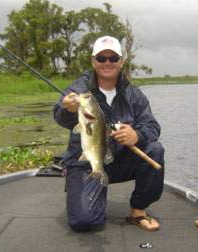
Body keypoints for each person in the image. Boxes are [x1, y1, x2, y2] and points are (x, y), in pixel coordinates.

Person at [53, 35, 165, 232]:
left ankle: (138, 211)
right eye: (101, 58)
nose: (107, 63)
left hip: (119, 160)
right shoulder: (78, 90)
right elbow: (60, 117)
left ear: (121, 62)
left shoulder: (134, 94)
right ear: (93, 61)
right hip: (86, 162)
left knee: (154, 149)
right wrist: (67, 110)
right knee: (84, 222)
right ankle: (90, 193)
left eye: (113, 58)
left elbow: (152, 126)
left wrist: (136, 136)